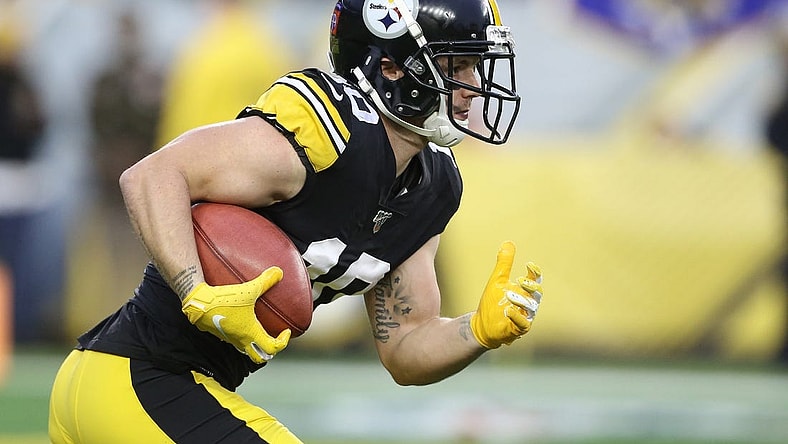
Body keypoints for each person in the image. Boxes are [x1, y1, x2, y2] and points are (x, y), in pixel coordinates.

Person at [48, 0, 544, 442]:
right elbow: (152, 175)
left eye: (476, 68)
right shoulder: (328, 130)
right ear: (392, 68)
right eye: (457, 66)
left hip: (166, 388)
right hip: (134, 377)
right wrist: (192, 289)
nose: (474, 88)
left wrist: (476, 331)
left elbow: (406, 347)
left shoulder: (429, 188)